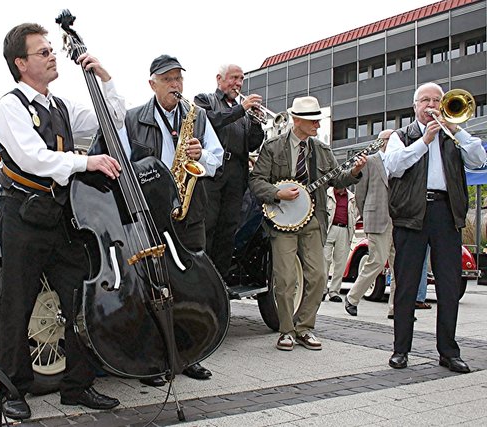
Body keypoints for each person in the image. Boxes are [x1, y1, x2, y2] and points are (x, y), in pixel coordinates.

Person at [0, 23, 125, 419]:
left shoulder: (60, 107)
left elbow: (112, 119)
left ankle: (76, 386)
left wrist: (104, 78)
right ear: (20, 63)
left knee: (80, 297)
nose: (52, 56)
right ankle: (14, 387)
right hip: (23, 215)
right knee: (18, 302)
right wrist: (87, 161)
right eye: (43, 51)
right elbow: (34, 158)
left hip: (61, 218)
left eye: (52, 49)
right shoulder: (11, 106)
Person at [115, 54, 224, 384]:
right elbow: (119, 161)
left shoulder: (197, 117)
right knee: (149, 287)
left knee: (191, 288)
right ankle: (152, 360)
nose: (176, 85)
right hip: (150, 213)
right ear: (152, 84)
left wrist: (200, 154)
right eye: (168, 79)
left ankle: (191, 356)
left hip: (189, 213)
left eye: (179, 78)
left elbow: (216, 160)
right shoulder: (132, 118)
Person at [249, 96, 366, 351]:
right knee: (285, 278)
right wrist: (277, 194)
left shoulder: (322, 151)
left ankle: (304, 327)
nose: (317, 125)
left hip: (314, 219)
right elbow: (257, 181)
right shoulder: (273, 147)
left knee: (319, 276)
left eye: (317, 120)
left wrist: (355, 172)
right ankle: (286, 331)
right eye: (312, 121)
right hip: (282, 222)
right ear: (297, 120)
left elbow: (339, 180)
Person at [384, 82, 486, 373]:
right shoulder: (401, 136)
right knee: (406, 285)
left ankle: (449, 352)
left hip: (446, 213)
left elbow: (479, 160)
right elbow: (394, 166)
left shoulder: (454, 136)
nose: (431, 106)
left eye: (437, 100)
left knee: (449, 286)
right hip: (411, 215)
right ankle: (400, 350)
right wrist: (424, 141)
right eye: (425, 100)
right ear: (414, 106)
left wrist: (456, 130)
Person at [193, 64, 264, 280]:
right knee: (208, 228)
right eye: (234, 78)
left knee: (228, 232)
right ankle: (201, 280)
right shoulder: (204, 100)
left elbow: (253, 144)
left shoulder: (241, 111)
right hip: (213, 173)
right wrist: (241, 109)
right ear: (219, 79)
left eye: (241, 79)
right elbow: (210, 121)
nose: (239, 84)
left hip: (236, 175)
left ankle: (220, 283)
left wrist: (255, 122)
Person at [344, 130, 396, 317]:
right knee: (377, 261)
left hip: (398, 220)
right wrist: (366, 217)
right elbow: (360, 194)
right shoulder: (370, 161)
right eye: (392, 138)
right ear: (382, 141)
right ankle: (352, 297)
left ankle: (395, 308)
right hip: (377, 219)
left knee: (400, 266)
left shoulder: (399, 160)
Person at [323, 184, 357, 302]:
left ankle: (334, 291)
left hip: (344, 230)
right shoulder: (327, 194)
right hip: (329, 228)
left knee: (340, 263)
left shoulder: (352, 197)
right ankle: (322, 290)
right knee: (324, 260)